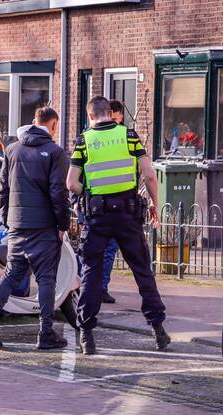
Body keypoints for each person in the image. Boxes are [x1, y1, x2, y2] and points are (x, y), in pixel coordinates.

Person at [67, 96, 170, 355]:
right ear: (110, 114)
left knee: (91, 272)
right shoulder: (129, 135)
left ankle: (87, 336)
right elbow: (149, 175)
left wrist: (90, 194)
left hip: (97, 217)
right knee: (142, 271)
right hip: (128, 215)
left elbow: (71, 183)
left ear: (91, 116)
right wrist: (154, 205)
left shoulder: (84, 140)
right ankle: (158, 331)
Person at [0, 107, 70, 351]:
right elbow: (58, 193)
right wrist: (62, 225)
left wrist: (8, 220)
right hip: (44, 227)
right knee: (46, 278)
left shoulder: (12, 150)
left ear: (33, 122)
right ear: (53, 125)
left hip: (17, 225)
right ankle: (46, 332)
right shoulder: (55, 153)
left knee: (11, 274)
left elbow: (1, 190)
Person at [98, 99, 127, 305]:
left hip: (108, 204)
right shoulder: (126, 137)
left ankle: (94, 288)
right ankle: (99, 288)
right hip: (110, 205)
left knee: (100, 250)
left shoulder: (88, 137)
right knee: (105, 250)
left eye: (116, 119)